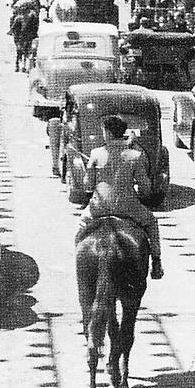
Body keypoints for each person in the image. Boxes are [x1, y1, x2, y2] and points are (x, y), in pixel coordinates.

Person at [75, 115, 163, 279]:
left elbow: (87, 186)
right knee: (151, 223)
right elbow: (146, 188)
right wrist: (141, 193)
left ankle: (80, 265)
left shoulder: (95, 153)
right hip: (128, 208)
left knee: (80, 229)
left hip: (98, 209)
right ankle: (157, 262)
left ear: (107, 133)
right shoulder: (135, 155)